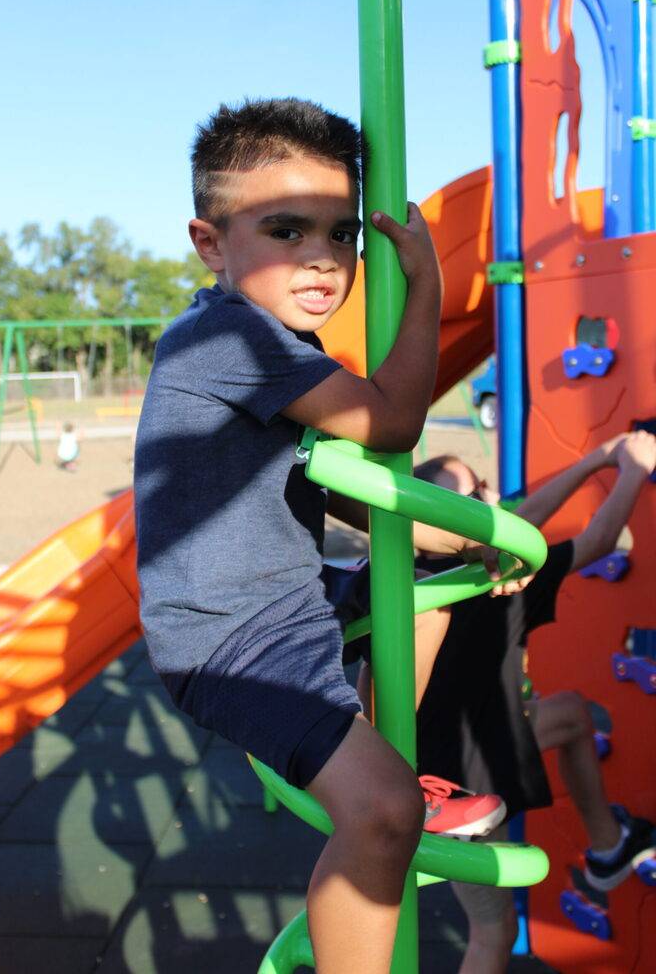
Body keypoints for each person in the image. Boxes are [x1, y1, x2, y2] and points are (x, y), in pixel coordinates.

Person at [134, 98, 514, 973]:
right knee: (385, 816)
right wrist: (424, 286)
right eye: (286, 230)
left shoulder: (273, 348)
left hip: (288, 602)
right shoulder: (226, 337)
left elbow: (338, 494)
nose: (322, 257)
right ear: (210, 243)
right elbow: (391, 423)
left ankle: (379, 758)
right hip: (229, 636)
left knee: (423, 593)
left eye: (343, 233)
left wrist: (466, 543)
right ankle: (382, 788)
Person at [404, 431, 656, 974]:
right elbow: (599, 540)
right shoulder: (499, 588)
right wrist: (634, 468)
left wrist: (597, 460)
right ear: (441, 531)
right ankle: (607, 846)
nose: (493, 495)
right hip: (457, 793)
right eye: (476, 495)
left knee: (569, 715)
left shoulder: (420, 577)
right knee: (495, 932)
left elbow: (521, 523)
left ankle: (608, 846)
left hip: (450, 755)